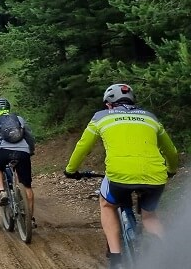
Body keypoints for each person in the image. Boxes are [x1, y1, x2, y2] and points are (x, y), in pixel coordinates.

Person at [63, 83, 178, 268]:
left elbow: (82, 147)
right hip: (156, 176)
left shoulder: (101, 117)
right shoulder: (150, 118)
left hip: (119, 176)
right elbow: (171, 152)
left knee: (107, 205)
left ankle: (116, 259)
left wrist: (70, 170)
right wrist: (171, 170)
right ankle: (169, 255)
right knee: (149, 217)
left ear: (108, 104)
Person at [0, 97, 36, 221]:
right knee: (27, 187)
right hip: (22, 152)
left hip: (3, 151)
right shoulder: (18, 119)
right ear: (8, 108)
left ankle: (2, 191)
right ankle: (30, 219)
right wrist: (30, 150)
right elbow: (29, 136)